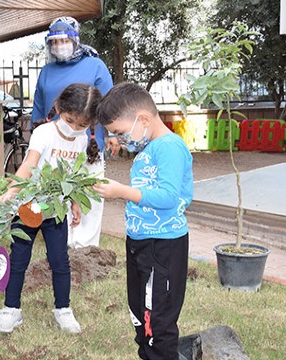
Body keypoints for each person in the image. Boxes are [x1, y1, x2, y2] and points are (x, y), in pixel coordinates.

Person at [93, 82, 192, 359]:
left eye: (120, 133)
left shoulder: (169, 147)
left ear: (144, 119)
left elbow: (169, 197)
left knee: (157, 322)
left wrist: (121, 192)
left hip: (163, 246)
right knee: (141, 315)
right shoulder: (148, 150)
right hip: (140, 243)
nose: (120, 140)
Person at [0, 83, 102, 334]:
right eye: (70, 120)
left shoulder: (81, 139)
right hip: (29, 207)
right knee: (19, 259)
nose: (74, 128)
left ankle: (63, 309)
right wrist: (11, 192)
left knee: (60, 262)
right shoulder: (44, 133)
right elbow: (29, 165)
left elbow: (74, 175)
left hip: (55, 211)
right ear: (58, 108)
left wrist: (74, 203)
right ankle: (11, 309)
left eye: (82, 125)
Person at [31, 16, 120, 249]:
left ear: (75, 40)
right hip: (56, 143)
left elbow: (108, 103)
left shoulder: (95, 66)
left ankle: (87, 247)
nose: (59, 45)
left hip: (89, 142)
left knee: (89, 193)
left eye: (64, 40)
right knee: (58, 194)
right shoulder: (47, 71)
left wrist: (112, 135)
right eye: (54, 41)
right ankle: (64, 245)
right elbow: (39, 107)